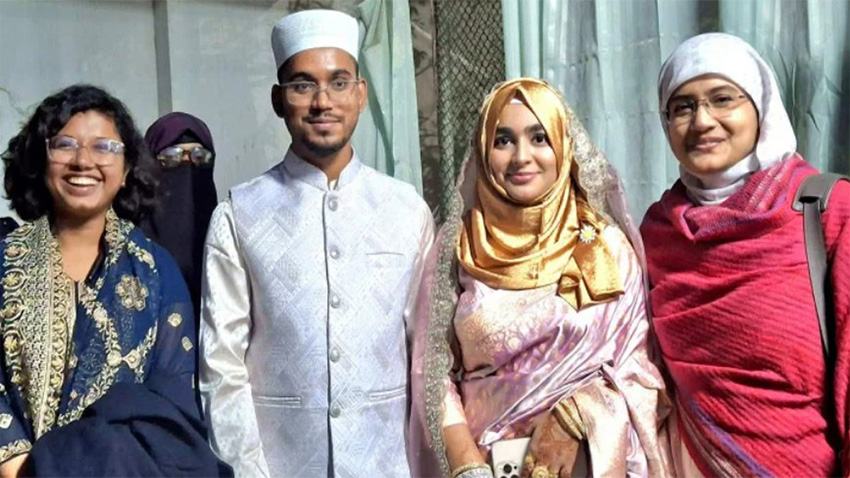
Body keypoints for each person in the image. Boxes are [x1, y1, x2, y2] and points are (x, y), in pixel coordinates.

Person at [199, 9, 434, 478]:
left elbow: (427, 359)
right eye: (303, 85)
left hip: (388, 466)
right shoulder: (239, 215)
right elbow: (221, 367)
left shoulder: (406, 210)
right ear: (277, 100)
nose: (323, 101)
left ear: (361, 94)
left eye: (339, 83)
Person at [409, 78, 670, 478]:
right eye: (503, 140)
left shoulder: (605, 246)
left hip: (588, 464)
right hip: (487, 466)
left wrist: (580, 412)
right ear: (483, 149)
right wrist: (466, 464)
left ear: (563, 146)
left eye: (539, 138)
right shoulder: (458, 246)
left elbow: (639, 371)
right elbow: (432, 370)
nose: (521, 157)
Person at [640, 33, 850, 476]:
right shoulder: (658, 232)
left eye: (722, 99)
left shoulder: (827, 211)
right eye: (683, 107)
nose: (702, 121)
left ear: (760, 106)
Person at [0, 84, 223, 476]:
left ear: (126, 170)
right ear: (41, 159)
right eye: (65, 144)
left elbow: (170, 404)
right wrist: (15, 462)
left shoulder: (156, 272)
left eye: (104, 147)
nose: (83, 161)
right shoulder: (4, 259)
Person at [142, 112, 217, 319]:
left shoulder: (226, 232)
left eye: (200, 156)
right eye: (171, 157)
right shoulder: (126, 243)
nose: (187, 164)